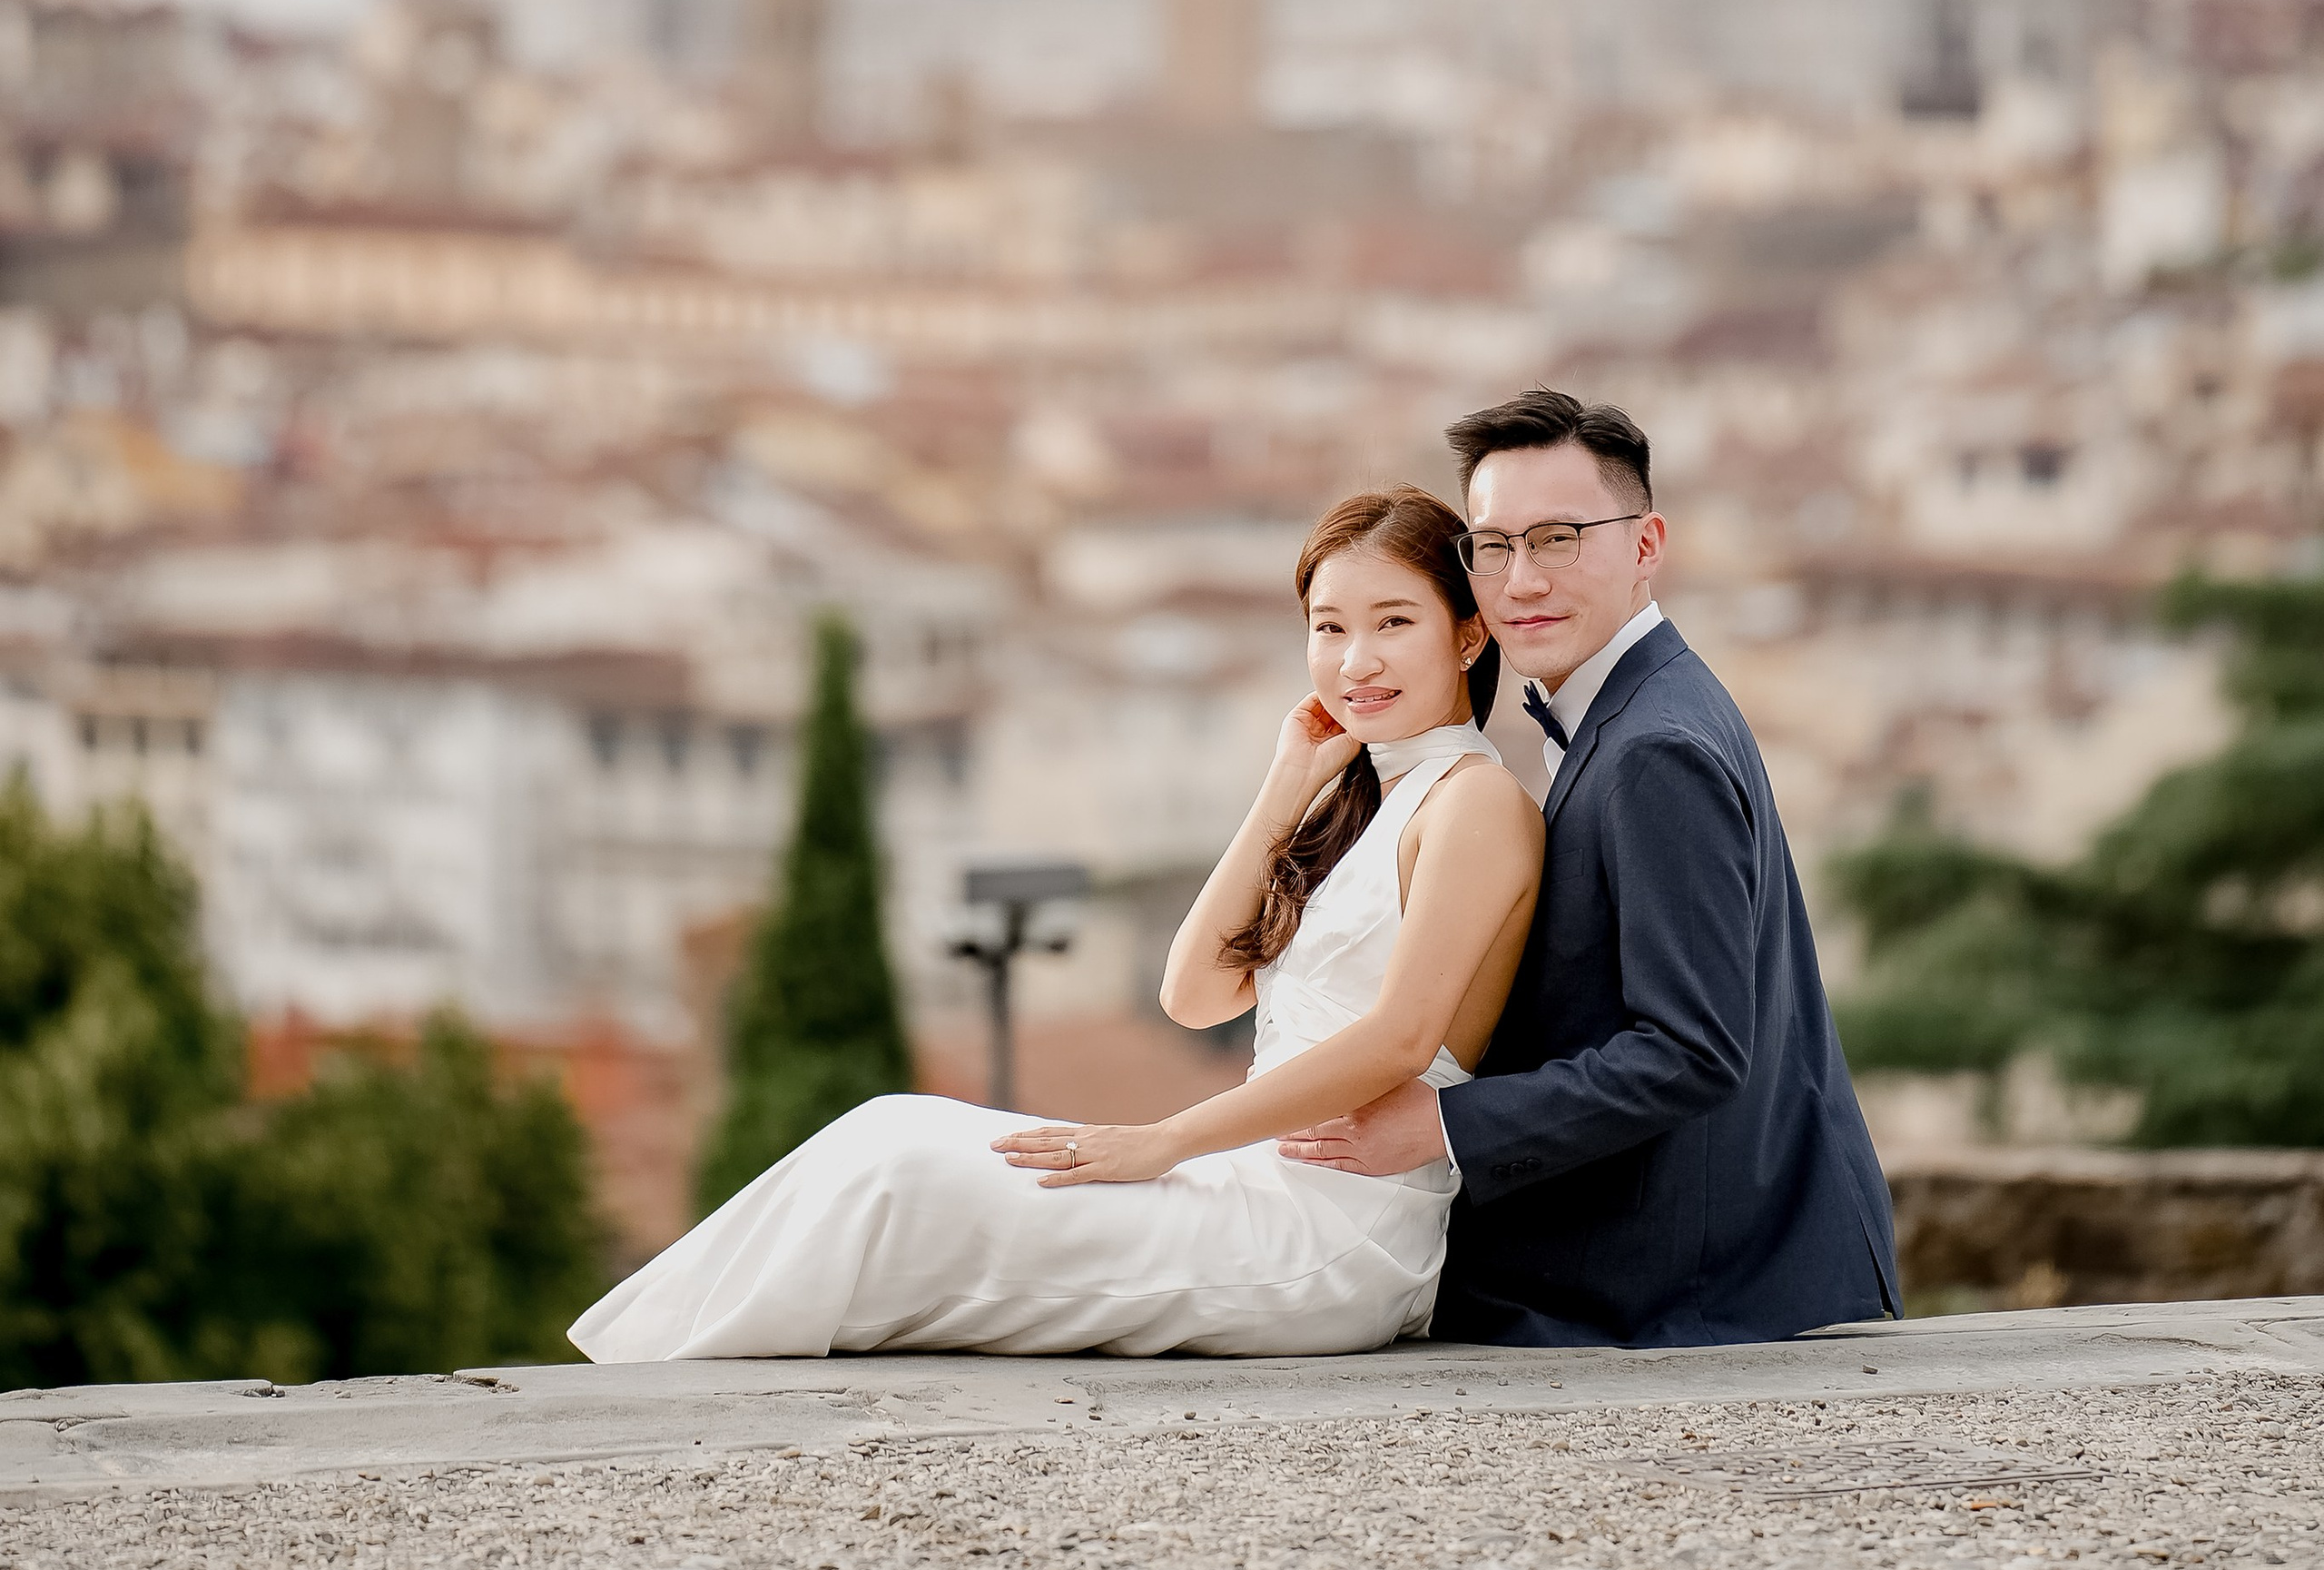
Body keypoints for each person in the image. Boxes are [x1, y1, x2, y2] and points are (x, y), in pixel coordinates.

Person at [568, 488, 1543, 1361]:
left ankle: (650, 1384)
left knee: (899, 1179)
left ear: (1467, 636)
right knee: (885, 1130)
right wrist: (1283, 787)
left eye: (1392, 622)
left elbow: (1400, 1040)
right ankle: (640, 1365)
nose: (1354, 660)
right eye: (1328, 628)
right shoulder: (1363, 800)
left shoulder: (1474, 804)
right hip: (1247, 1187)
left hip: (1331, 1236)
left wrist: (1163, 1142)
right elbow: (1194, 993)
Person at [1277, 388, 1899, 1348]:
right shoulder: (1638, 710)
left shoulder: (1655, 748)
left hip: (1701, 1283)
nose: (1520, 579)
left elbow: (1691, 1048)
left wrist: (1443, 1128)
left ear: (1646, 545)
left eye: (1558, 539)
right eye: (1492, 546)